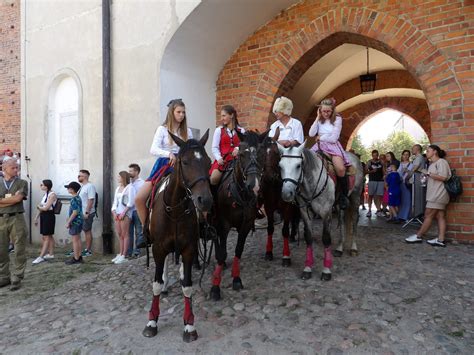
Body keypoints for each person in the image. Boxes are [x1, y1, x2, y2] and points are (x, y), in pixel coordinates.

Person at [135, 99, 193, 246]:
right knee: (139, 199)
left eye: (183, 112)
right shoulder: (162, 129)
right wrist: (168, 154)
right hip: (163, 165)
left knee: (200, 190)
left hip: (183, 166)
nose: (181, 115)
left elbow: (192, 149)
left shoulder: (188, 131)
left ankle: (203, 224)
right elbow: (153, 149)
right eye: (178, 112)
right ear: (172, 113)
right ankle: (145, 231)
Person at [309, 98, 351, 209]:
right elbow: (311, 133)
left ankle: (343, 196)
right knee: (308, 164)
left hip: (333, 147)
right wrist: (317, 117)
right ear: (320, 110)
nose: (326, 113)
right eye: (324, 111)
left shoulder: (337, 119)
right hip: (319, 146)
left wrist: (320, 137)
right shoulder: (319, 119)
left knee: (341, 169)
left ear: (332, 111)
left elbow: (334, 138)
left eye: (328, 111)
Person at [405, 145, 451, 247]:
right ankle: (440, 239)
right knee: (440, 216)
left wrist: (428, 174)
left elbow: (444, 177)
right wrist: (425, 176)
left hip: (438, 194)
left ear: (435, 152)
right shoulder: (432, 164)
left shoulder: (441, 162)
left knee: (428, 215)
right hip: (435, 193)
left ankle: (418, 236)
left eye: (428, 151)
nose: (426, 152)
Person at [0, 159, 28, 291]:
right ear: (4, 168)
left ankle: (17, 275)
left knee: (19, 247)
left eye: (17, 168)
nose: (16, 170)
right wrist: (11, 200)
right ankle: (4, 276)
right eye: (13, 168)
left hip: (16, 217)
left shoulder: (22, 183)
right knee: (1, 249)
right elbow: (14, 199)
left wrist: (2, 201)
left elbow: (18, 199)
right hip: (1, 219)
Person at [210, 105, 245, 186]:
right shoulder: (219, 130)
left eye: (224, 115)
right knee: (213, 179)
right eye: (221, 116)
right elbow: (214, 147)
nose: (222, 118)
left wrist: (237, 148)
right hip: (223, 161)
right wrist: (218, 158)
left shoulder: (241, 130)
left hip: (238, 160)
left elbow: (244, 145)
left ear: (232, 115)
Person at [111, 171, 135, 264]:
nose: (117, 178)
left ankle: (124, 255)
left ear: (123, 177)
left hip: (125, 214)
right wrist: (114, 212)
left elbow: (131, 202)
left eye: (119, 176)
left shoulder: (130, 188)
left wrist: (123, 213)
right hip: (117, 213)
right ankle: (120, 253)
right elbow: (115, 202)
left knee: (125, 234)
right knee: (120, 234)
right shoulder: (118, 188)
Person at [32, 180, 57, 264]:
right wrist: (36, 218)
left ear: (46, 186)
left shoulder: (52, 195)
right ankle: (51, 254)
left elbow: (46, 208)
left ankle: (41, 256)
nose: (40, 186)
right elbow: (42, 207)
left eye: (41, 184)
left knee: (46, 237)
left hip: (49, 216)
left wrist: (39, 206)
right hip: (44, 216)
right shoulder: (45, 195)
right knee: (48, 235)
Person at [127, 163, 144, 257]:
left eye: (131, 171)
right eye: (129, 171)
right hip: (129, 210)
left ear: (136, 172)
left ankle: (137, 252)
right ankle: (129, 252)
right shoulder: (128, 183)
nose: (129, 172)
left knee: (138, 231)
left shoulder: (142, 183)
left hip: (137, 210)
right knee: (128, 232)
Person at [78, 170, 96, 257]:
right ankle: (84, 249)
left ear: (85, 176)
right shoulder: (83, 187)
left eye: (80, 176)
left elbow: (91, 199)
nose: (78, 177)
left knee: (87, 231)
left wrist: (87, 212)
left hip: (87, 212)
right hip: (82, 212)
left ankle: (88, 250)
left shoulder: (90, 186)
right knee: (84, 230)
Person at [64, 182, 84, 264]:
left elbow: (75, 212)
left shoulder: (73, 199)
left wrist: (68, 222)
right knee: (78, 239)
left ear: (72, 189)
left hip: (75, 222)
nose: (67, 189)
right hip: (79, 221)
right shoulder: (78, 197)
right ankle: (79, 256)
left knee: (75, 240)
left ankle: (76, 258)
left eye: (68, 188)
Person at [366, 150, 384, 217]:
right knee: (370, 196)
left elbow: (384, 169)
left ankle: (378, 210)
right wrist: (371, 171)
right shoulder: (369, 162)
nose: (375, 157)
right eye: (373, 155)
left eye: (376, 155)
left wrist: (384, 176)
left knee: (379, 196)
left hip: (380, 181)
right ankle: (369, 211)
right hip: (372, 181)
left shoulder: (381, 162)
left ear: (378, 155)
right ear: (372, 155)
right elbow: (365, 171)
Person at [397, 150, 412, 221]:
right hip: (400, 183)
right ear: (402, 155)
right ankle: (400, 215)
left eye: (407, 155)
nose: (405, 156)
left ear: (409, 156)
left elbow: (412, 174)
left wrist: (407, 171)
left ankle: (406, 216)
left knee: (407, 200)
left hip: (406, 183)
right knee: (401, 200)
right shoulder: (400, 164)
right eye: (404, 154)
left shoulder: (411, 164)